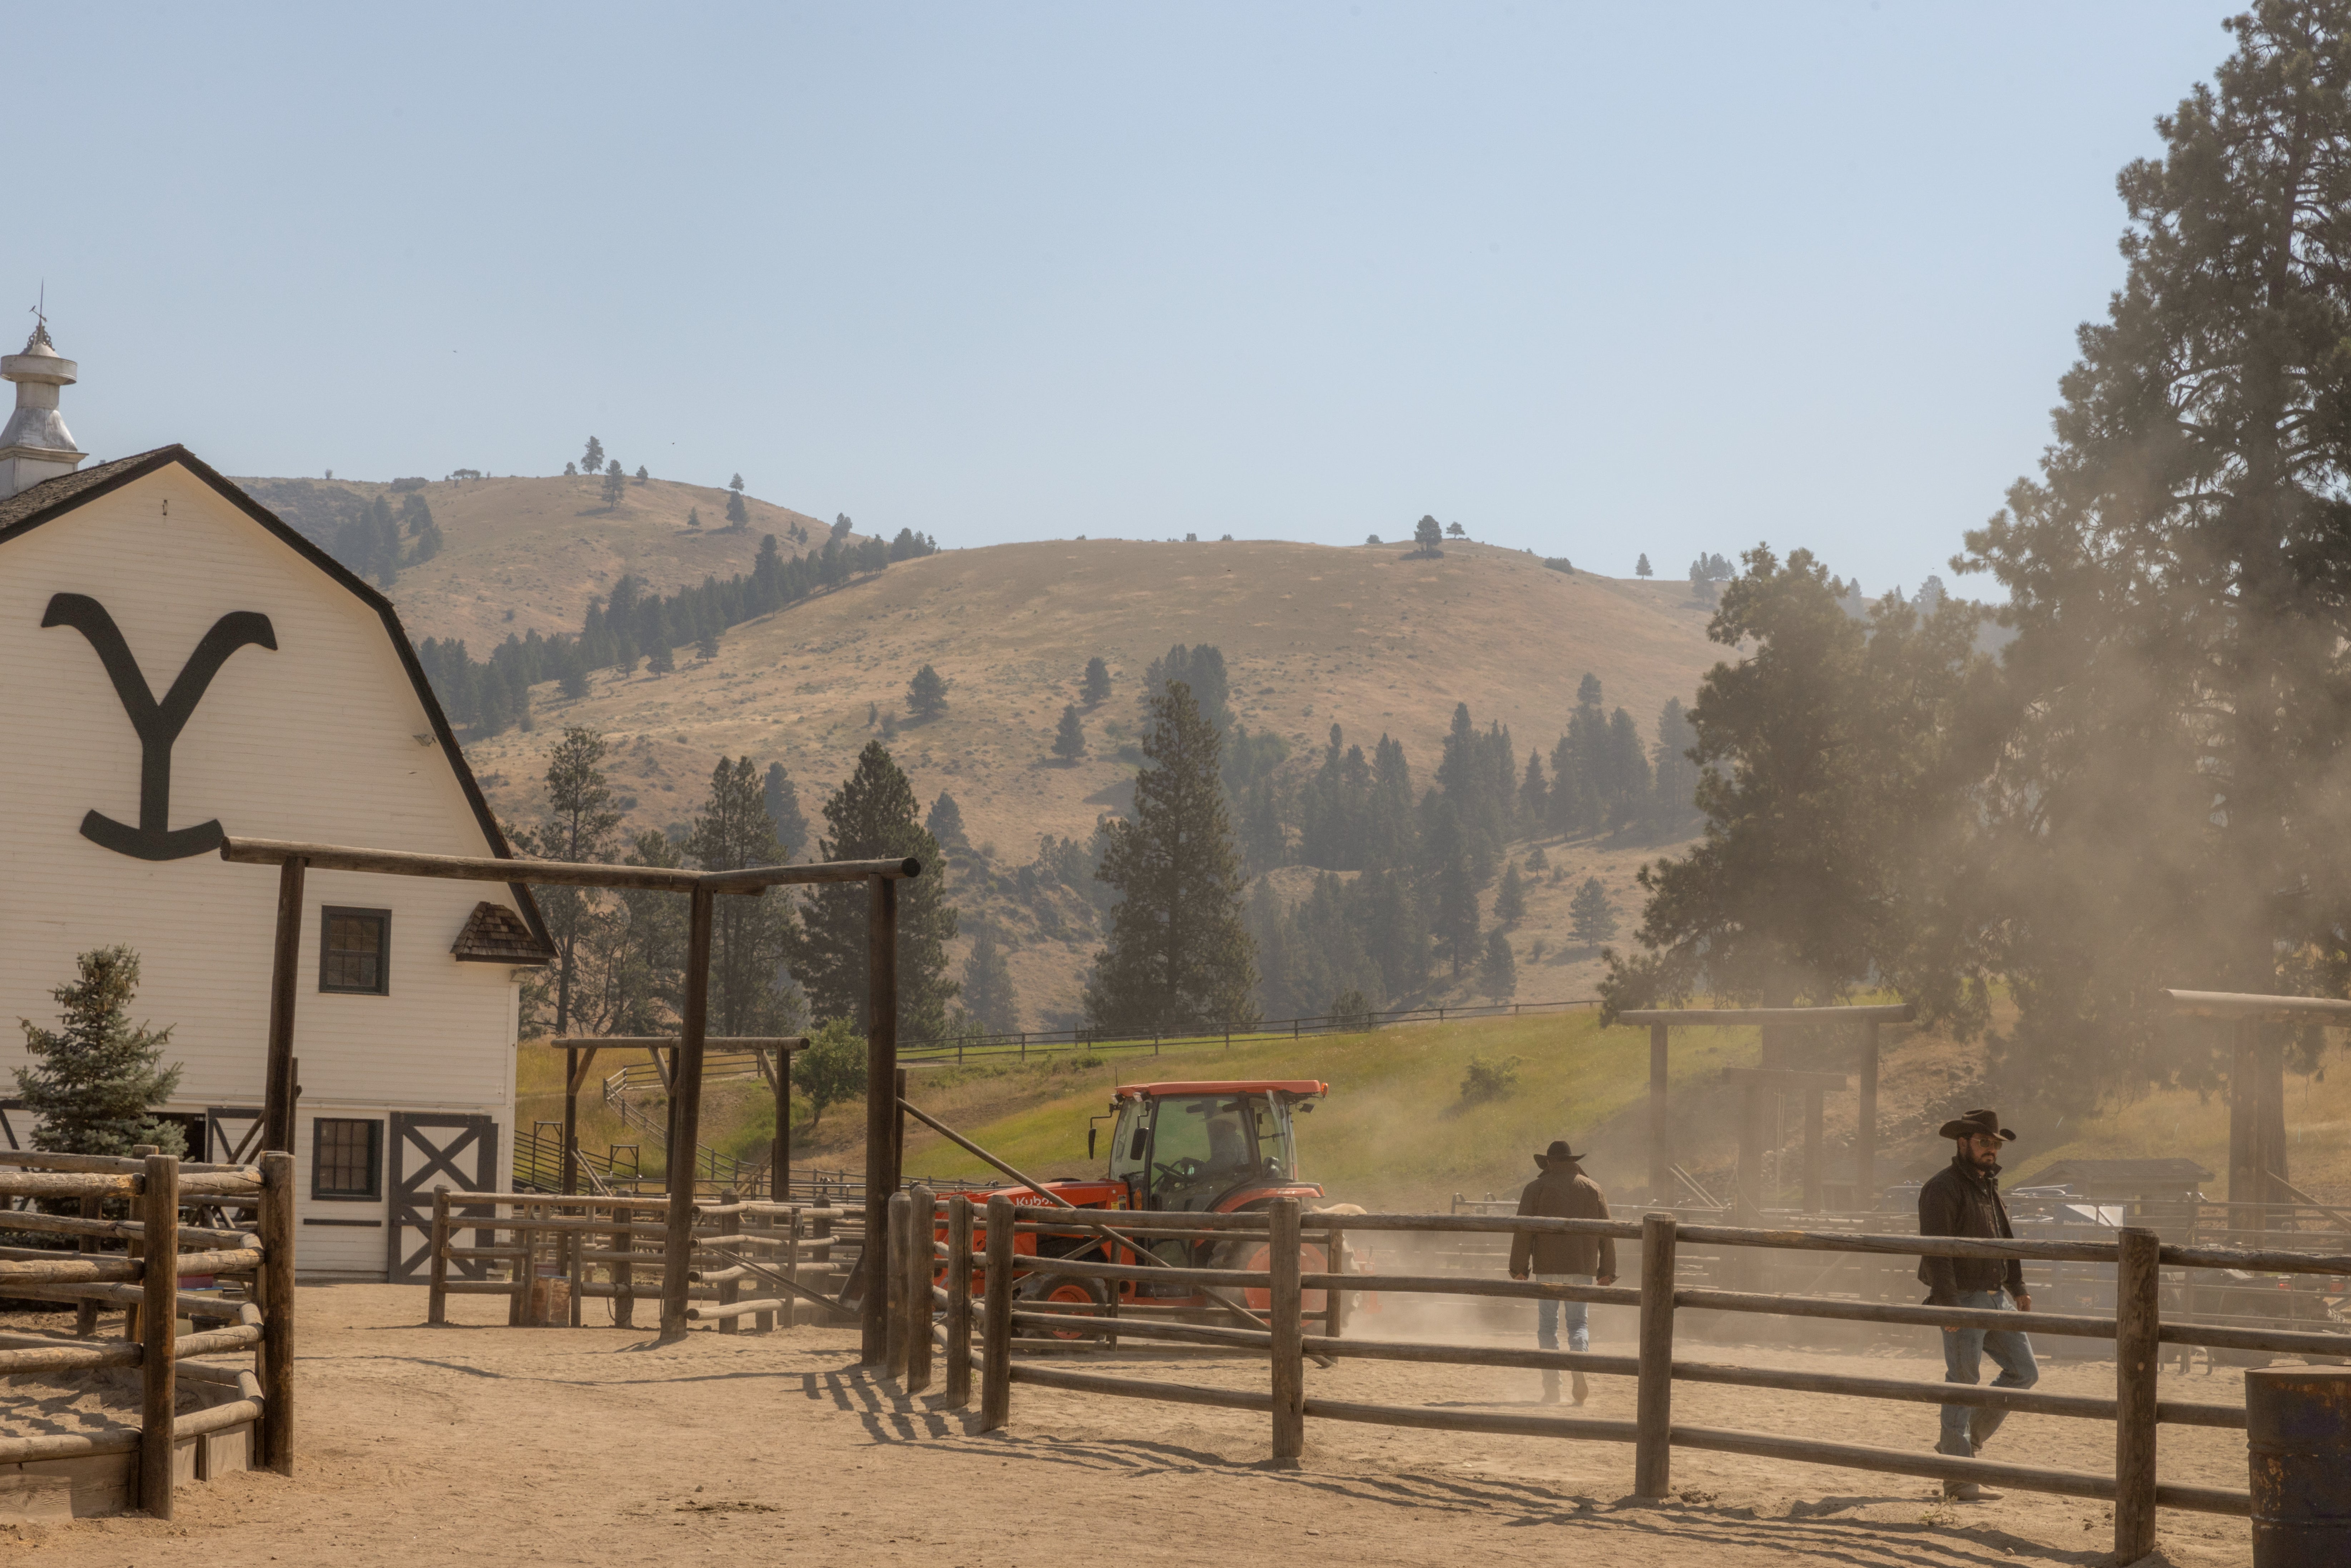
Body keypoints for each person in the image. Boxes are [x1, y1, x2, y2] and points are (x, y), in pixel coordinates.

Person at [1918, 1107, 2039, 1501]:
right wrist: (1950, 1304)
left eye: (1995, 1144)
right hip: (1964, 1297)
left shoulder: (1987, 1186)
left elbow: (2006, 1238)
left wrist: (2016, 1284)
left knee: (2024, 1372)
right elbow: (1937, 1251)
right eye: (1984, 1142)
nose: (1991, 1150)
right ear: (1963, 1143)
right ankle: (1959, 1478)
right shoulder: (1943, 1187)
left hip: (1994, 1294)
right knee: (1964, 1383)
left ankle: (1964, 1449)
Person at [1507, 1139, 1618, 1404]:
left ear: (1548, 1163)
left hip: (1546, 1267)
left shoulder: (1535, 1188)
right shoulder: (1593, 1188)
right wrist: (1607, 1270)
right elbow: (1608, 1232)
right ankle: (1578, 1369)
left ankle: (1552, 1388)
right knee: (1578, 1324)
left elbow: (1523, 1231)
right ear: (1573, 1161)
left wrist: (1519, 1268)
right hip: (1582, 1266)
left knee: (1547, 1326)